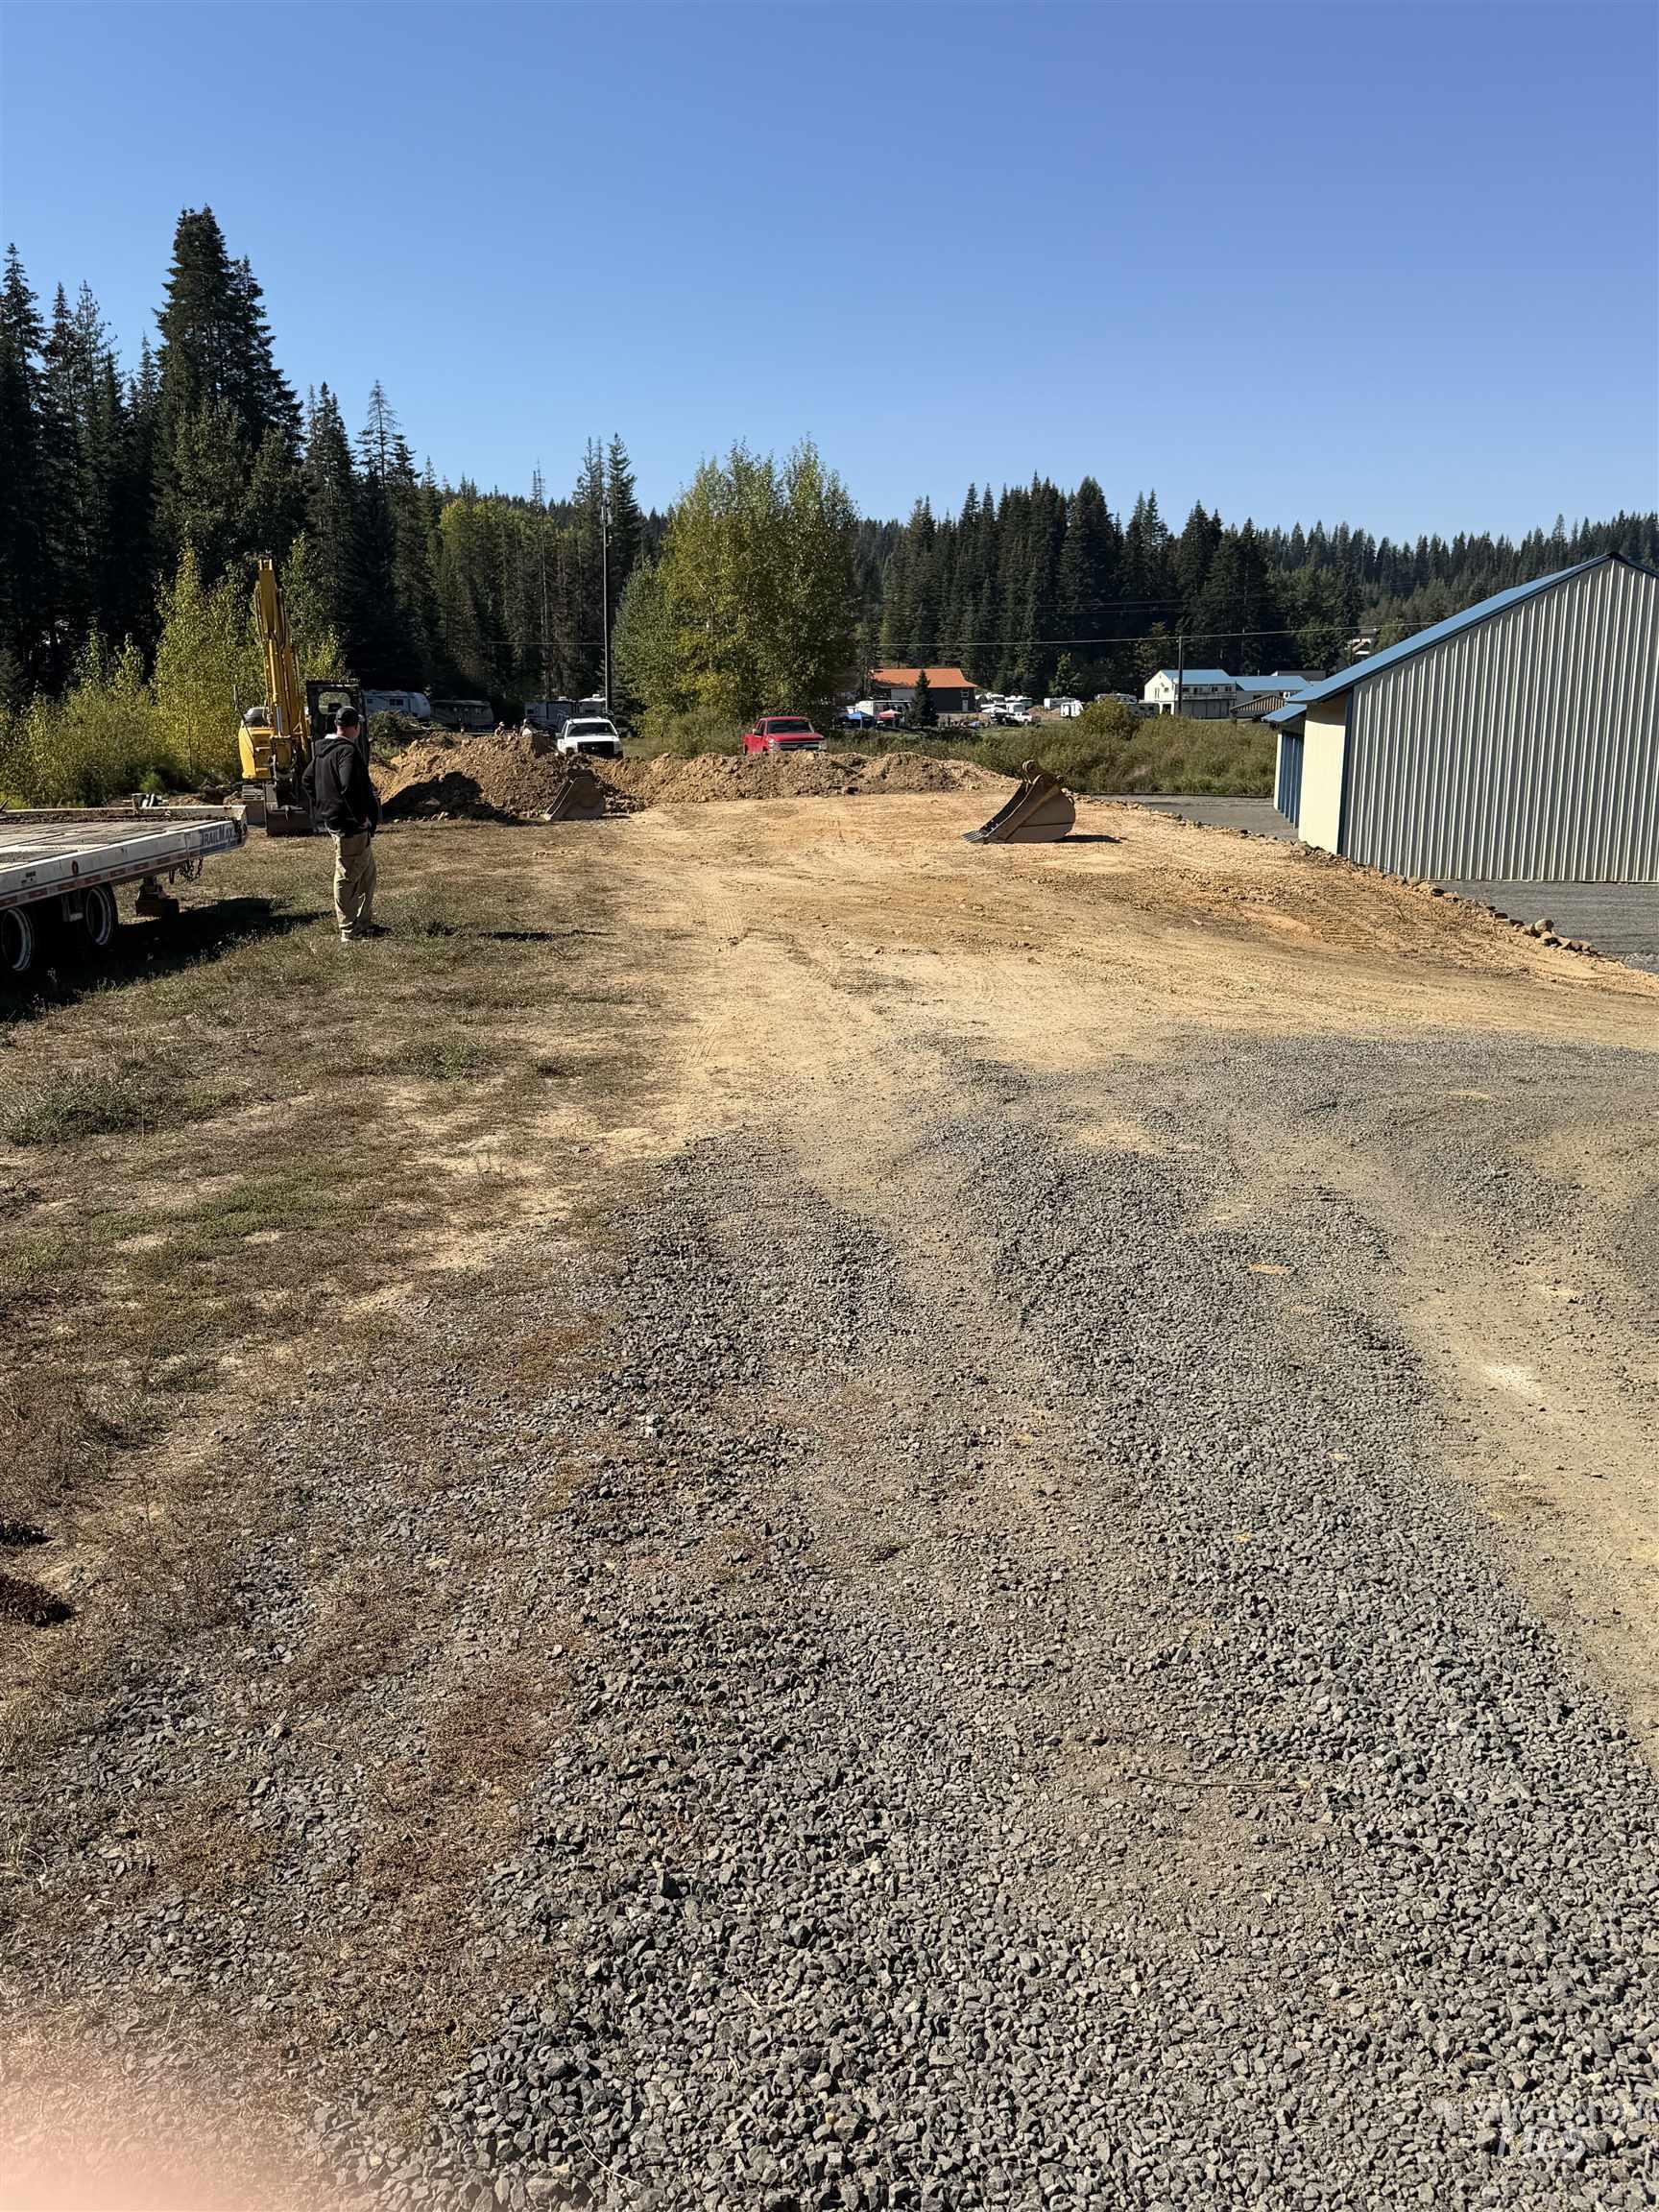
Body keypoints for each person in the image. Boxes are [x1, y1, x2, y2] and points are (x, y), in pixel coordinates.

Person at [302, 705, 383, 942]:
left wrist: (323, 805)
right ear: (355, 727)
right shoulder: (347, 751)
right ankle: (349, 930)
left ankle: (364, 922)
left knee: (367, 874)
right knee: (347, 876)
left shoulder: (323, 750)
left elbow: (308, 779)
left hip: (339, 821)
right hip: (351, 825)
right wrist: (360, 816)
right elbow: (348, 785)